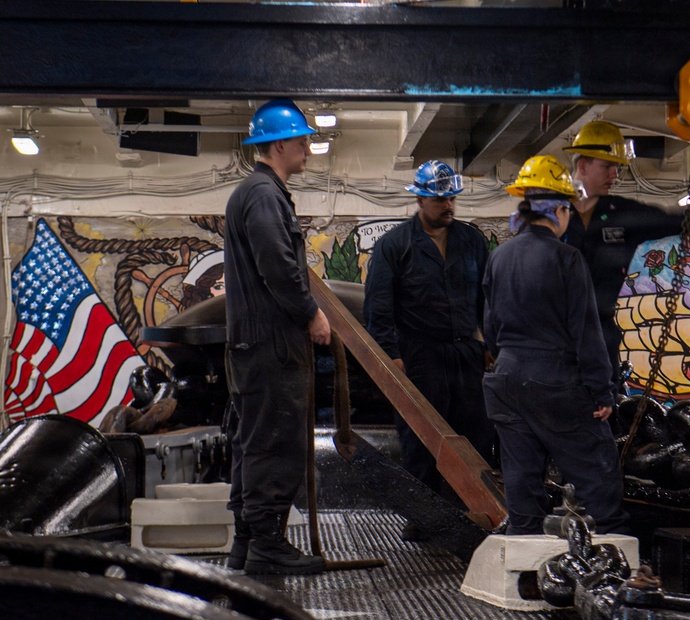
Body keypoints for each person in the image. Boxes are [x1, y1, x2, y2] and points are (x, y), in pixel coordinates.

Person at [481, 154, 628, 535]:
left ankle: (523, 558)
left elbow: (489, 326)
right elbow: (586, 330)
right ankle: (617, 557)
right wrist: (602, 391)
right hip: (554, 378)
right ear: (560, 210)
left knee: (521, 475)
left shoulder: (499, 256)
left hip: (506, 377)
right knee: (597, 466)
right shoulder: (566, 257)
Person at [224, 99, 331, 574]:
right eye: (302, 139)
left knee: (253, 440)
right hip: (271, 342)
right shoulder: (265, 194)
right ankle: (268, 547)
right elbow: (278, 266)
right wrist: (311, 314)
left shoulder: (256, 192)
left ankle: (247, 544)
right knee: (275, 440)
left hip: (254, 341)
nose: (308, 147)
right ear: (279, 144)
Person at [363, 159, 494, 541]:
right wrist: (391, 357)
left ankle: (472, 514)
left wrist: (489, 341)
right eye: (439, 200)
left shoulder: (471, 241)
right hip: (419, 357)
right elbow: (378, 307)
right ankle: (423, 517)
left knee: (474, 435)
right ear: (420, 199)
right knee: (422, 441)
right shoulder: (395, 246)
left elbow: (488, 296)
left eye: (451, 198)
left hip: (466, 354)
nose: (448, 206)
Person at [562, 120, 690, 386]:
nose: (614, 175)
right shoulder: (551, 212)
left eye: (616, 167)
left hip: (600, 335)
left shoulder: (624, 214)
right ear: (582, 166)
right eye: (607, 166)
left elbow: (677, 221)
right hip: (555, 338)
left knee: (605, 411)